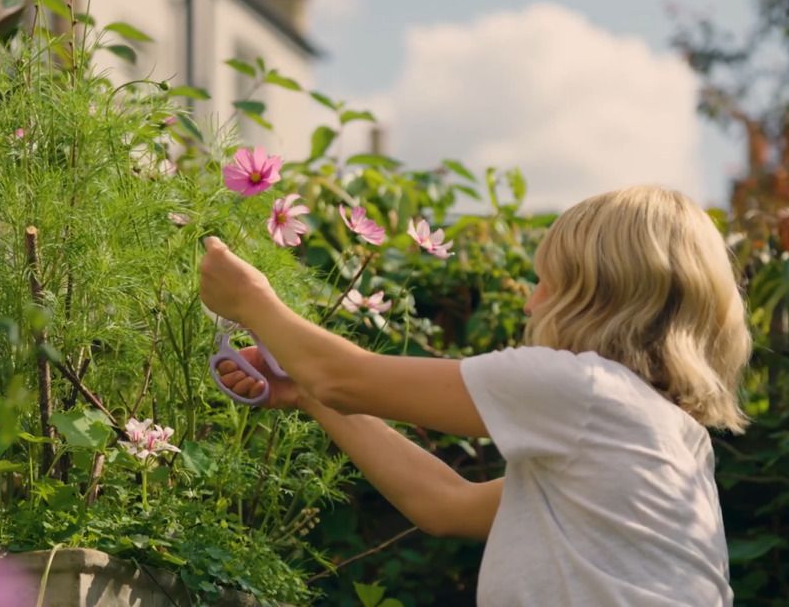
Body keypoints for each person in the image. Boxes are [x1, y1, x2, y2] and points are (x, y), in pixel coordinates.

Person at [199, 185, 752, 606]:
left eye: (548, 282)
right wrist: (307, 394)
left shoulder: (582, 389)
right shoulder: (669, 436)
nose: (531, 303)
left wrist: (249, 299)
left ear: (598, 295)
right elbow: (444, 504)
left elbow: (344, 377)